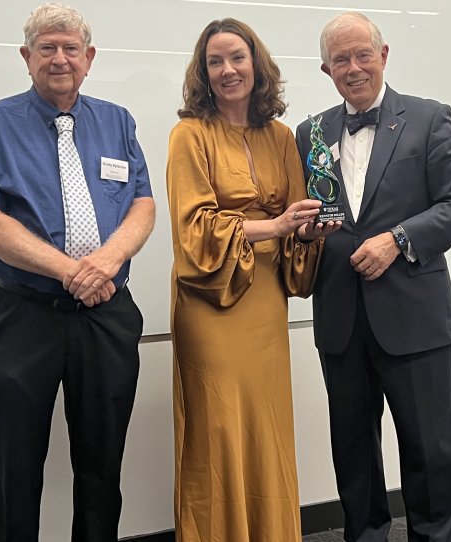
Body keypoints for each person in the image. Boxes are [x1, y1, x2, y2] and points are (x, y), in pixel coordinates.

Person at [0, 3, 155, 541]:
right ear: (26, 57)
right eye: (47, 48)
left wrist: (106, 263)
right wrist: (71, 271)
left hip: (106, 314)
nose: (60, 59)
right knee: (14, 472)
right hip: (20, 316)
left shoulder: (117, 121)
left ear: (89, 58)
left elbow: (142, 205)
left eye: (70, 49)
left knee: (102, 466)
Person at [296, 12, 451, 542]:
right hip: (340, 321)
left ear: (383, 55)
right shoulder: (308, 133)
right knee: (352, 452)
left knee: (431, 451)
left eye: (362, 55)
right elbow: (310, 220)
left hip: (414, 320)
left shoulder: (428, 118)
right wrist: (304, 233)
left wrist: (398, 239)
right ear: (325, 68)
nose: (353, 68)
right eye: (340, 60)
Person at [166, 18, 339, 542]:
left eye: (236, 57)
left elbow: (294, 228)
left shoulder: (282, 136)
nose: (227, 70)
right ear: (203, 72)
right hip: (209, 303)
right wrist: (277, 224)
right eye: (214, 61)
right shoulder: (188, 135)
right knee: (217, 431)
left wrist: (307, 231)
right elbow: (194, 231)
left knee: (265, 429)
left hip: (264, 302)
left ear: (255, 64)